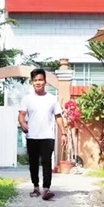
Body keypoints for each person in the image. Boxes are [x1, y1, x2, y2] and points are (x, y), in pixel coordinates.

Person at [18, 68, 67, 200]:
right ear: (32, 82)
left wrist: (63, 133)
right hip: (32, 136)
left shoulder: (52, 99)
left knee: (46, 162)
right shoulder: (27, 99)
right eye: (35, 80)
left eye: (40, 80)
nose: (38, 82)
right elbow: (21, 115)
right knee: (33, 163)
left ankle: (46, 189)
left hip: (47, 136)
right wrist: (22, 123)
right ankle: (35, 187)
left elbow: (58, 116)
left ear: (45, 81)